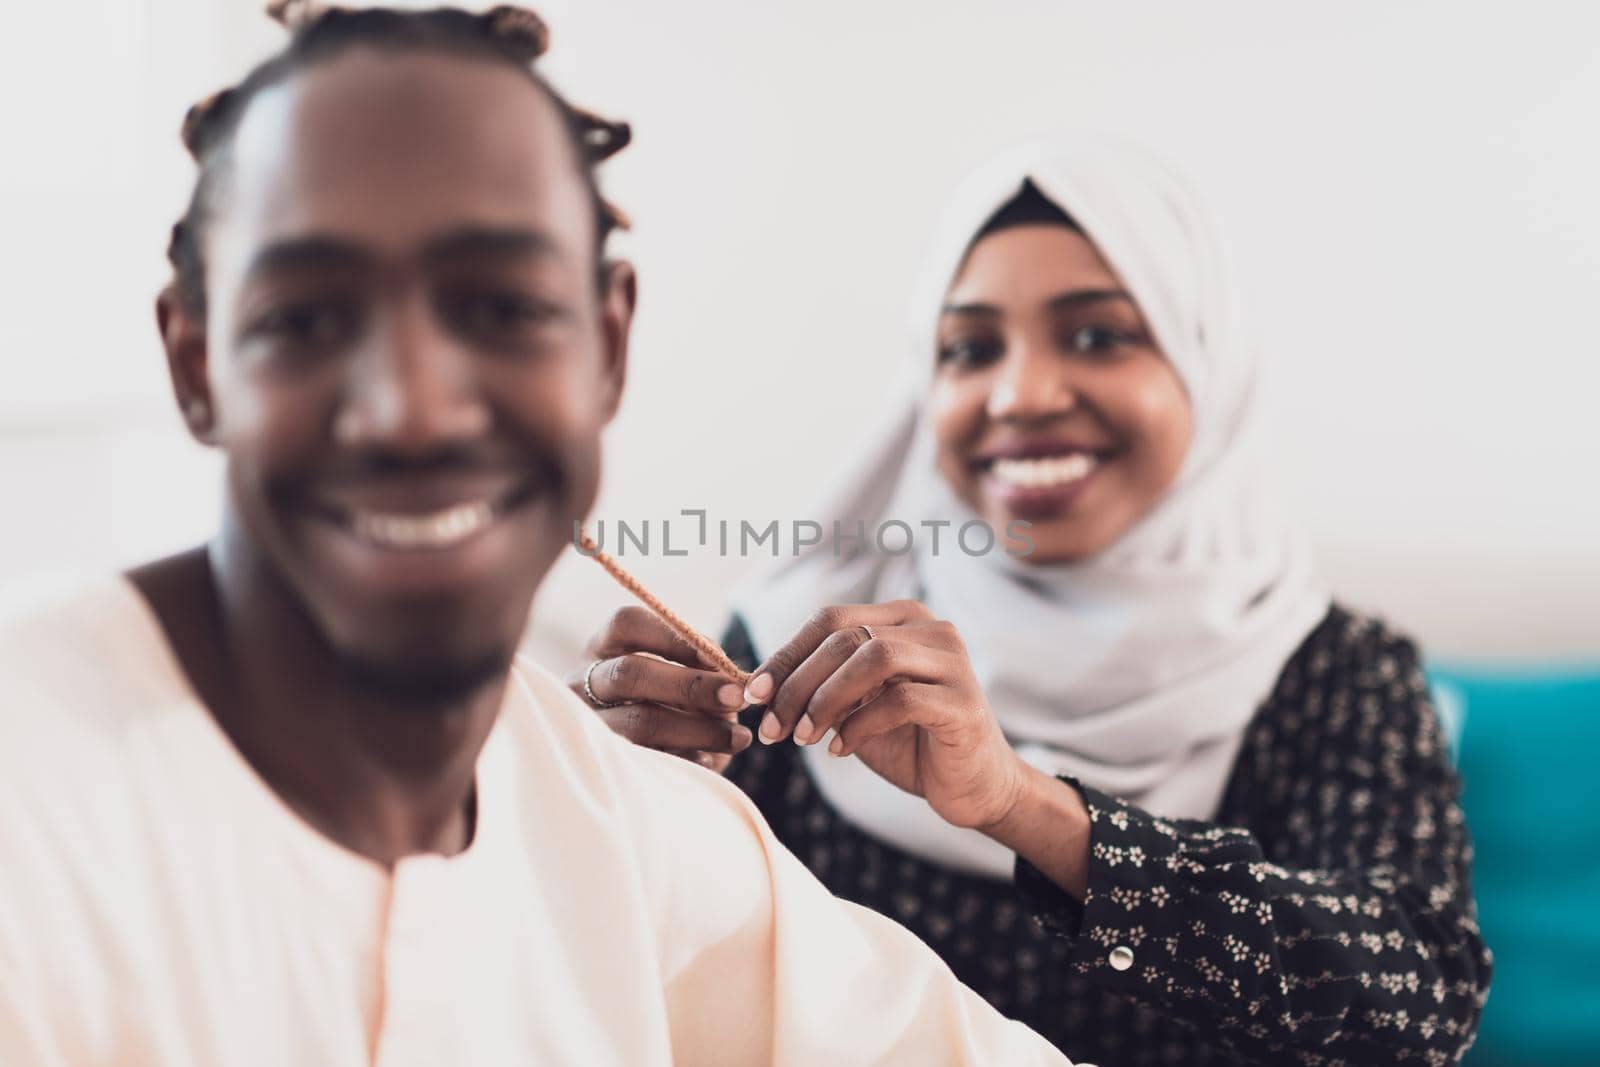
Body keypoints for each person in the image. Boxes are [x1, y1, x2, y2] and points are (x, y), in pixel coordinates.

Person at [0, 7, 1076, 1064]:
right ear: (195, 365)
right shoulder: (38, 801)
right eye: (307, 319)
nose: (413, 406)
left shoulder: (607, 818)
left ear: (607, 346)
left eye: (503, 308)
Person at [576, 138, 1493, 1064]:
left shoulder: (1332, 671)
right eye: (971, 349)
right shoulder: (802, 638)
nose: (1020, 394)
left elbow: (1420, 1007)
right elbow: (639, 977)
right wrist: (614, 800)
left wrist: (1020, 802)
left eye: (1099, 335)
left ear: (1204, 366)